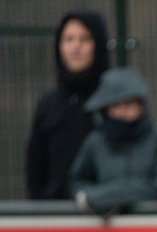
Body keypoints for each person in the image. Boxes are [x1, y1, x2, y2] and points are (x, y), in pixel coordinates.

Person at [69, 67, 157, 217]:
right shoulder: (95, 142)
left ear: (141, 105)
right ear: (105, 108)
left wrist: (107, 197)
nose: (121, 111)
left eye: (129, 104)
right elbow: (77, 183)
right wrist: (93, 198)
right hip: (107, 229)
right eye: (115, 105)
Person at [25, 10, 110, 200]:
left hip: (102, 209)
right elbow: (35, 166)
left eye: (85, 39)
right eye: (68, 39)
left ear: (98, 45)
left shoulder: (113, 100)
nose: (75, 46)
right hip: (55, 211)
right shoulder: (48, 103)